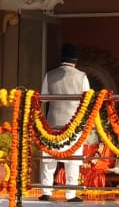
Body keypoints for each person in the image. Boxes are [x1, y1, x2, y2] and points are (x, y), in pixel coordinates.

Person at [39, 44, 92, 198]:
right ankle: (71, 193)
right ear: (76, 60)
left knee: (49, 159)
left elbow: (43, 98)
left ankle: (46, 191)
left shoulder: (49, 75)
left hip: (52, 123)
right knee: (73, 161)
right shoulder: (82, 76)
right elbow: (87, 101)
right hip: (74, 124)